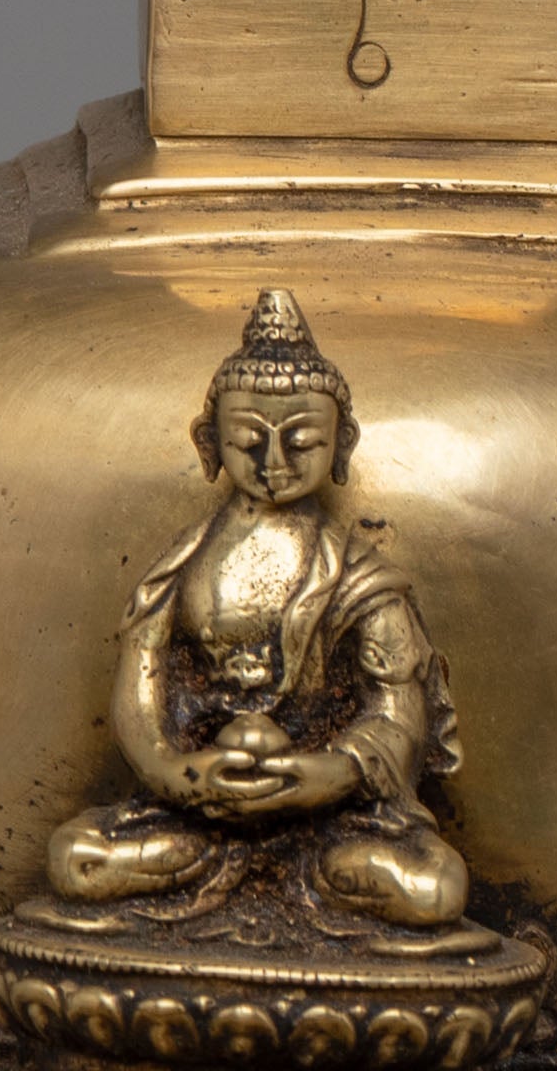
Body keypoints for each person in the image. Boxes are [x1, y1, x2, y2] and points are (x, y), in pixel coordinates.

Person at [42, 286, 468, 930]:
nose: (273, 463)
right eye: (248, 440)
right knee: (77, 858)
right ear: (209, 442)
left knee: (432, 887)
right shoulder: (178, 570)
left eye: (302, 442)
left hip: (332, 824)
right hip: (199, 820)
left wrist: (330, 774)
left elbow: (396, 712)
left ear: (342, 444)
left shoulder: (361, 578)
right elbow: (140, 702)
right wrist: (180, 774)